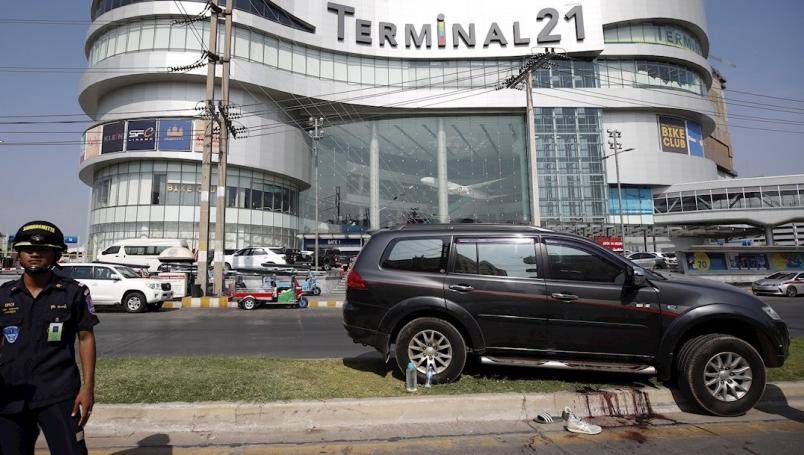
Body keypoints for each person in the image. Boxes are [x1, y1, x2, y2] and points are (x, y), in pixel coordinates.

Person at [0, 221, 99, 455]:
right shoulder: (4, 295)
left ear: (56, 255)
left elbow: (86, 338)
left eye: (43, 249)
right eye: (27, 249)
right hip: (11, 393)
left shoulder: (73, 292)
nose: (35, 253)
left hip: (60, 393)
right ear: (19, 255)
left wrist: (88, 388)